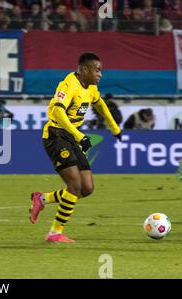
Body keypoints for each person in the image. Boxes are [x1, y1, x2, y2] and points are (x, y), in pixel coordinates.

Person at [29, 53, 122, 243]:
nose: (100, 75)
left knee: (86, 188)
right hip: (56, 135)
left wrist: (114, 127)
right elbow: (57, 111)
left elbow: (101, 105)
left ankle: (43, 199)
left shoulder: (91, 88)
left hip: (72, 137)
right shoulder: (69, 84)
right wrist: (80, 135)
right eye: (97, 70)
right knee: (75, 185)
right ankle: (55, 233)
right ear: (85, 69)